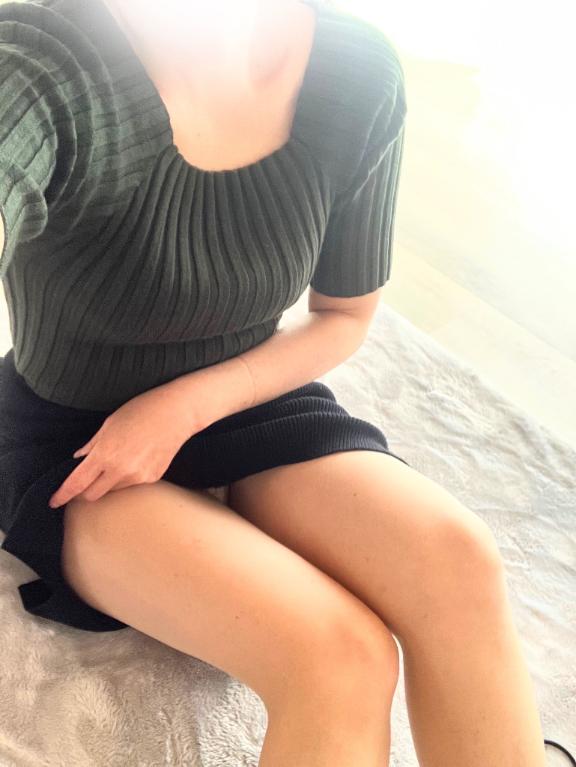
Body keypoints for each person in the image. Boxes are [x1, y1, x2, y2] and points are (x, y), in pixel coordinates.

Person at [0, 1, 569, 765]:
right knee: (340, 657)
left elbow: (343, 315)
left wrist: (186, 405)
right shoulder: (43, 58)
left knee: (459, 560)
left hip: (247, 396)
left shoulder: (355, 70)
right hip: (79, 440)